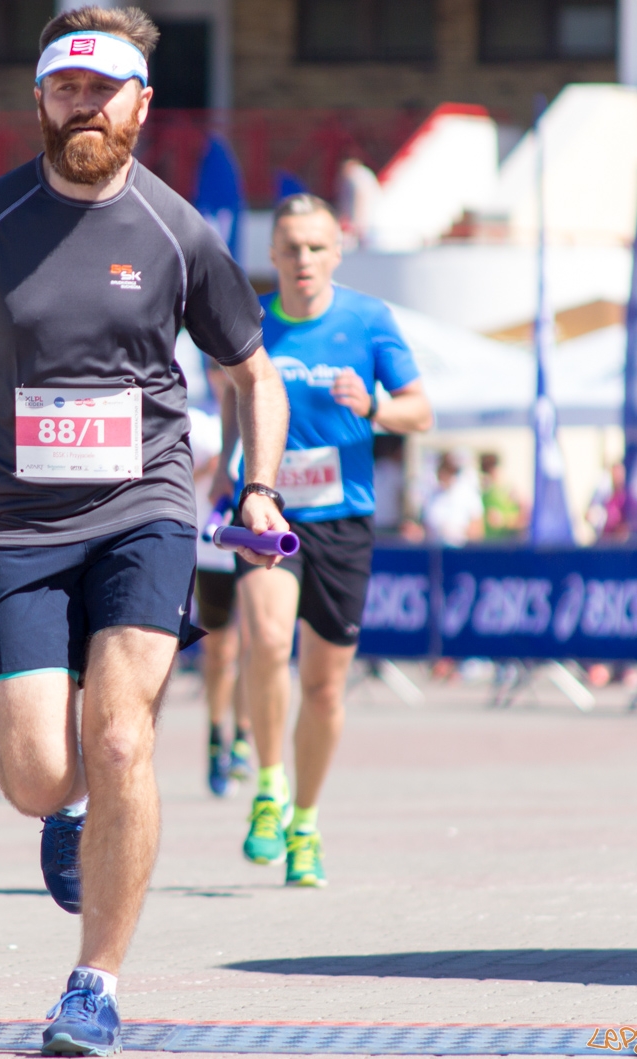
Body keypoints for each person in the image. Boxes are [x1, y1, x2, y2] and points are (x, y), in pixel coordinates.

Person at [0, 7, 290, 1055]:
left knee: (119, 739)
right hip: (19, 525)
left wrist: (257, 487)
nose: (83, 108)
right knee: (34, 772)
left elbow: (253, 374)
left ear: (140, 105)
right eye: (65, 89)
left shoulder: (176, 229)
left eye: (102, 91)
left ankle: (94, 982)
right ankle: (66, 814)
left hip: (142, 511)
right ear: (39, 99)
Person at [232, 193, 430, 888]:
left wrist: (374, 405)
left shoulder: (369, 320)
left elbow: (421, 412)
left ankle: (307, 823)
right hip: (269, 509)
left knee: (322, 687)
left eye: (316, 247)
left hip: (344, 517)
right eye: (290, 247)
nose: (303, 259)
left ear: (337, 252)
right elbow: (230, 395)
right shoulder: (252, 322)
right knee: (265, 638)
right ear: (273, 254)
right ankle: (268, 786)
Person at [191, 371, 248, 797]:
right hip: (212, 551)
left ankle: (244, 736)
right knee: (220, 652)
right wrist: (207, 468)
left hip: (255, 547)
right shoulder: (197, 422)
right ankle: (217, 735)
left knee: (258, 645)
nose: (223, 377)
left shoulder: (264, 415)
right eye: (216, 369)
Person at [420, 453, 484, 547]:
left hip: (462, 548)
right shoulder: (432, 496)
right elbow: (426, 525)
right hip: (437, 548)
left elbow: (477, 526)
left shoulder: (468, 494)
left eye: (447, 471)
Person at [478, 452, 525, 540]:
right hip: (491, 543)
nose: (490, 472)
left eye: (492, 467)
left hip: (509, 542)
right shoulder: (482, 493)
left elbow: (524, 519)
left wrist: (504, 521)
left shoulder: (511, 490)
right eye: (486, 469)